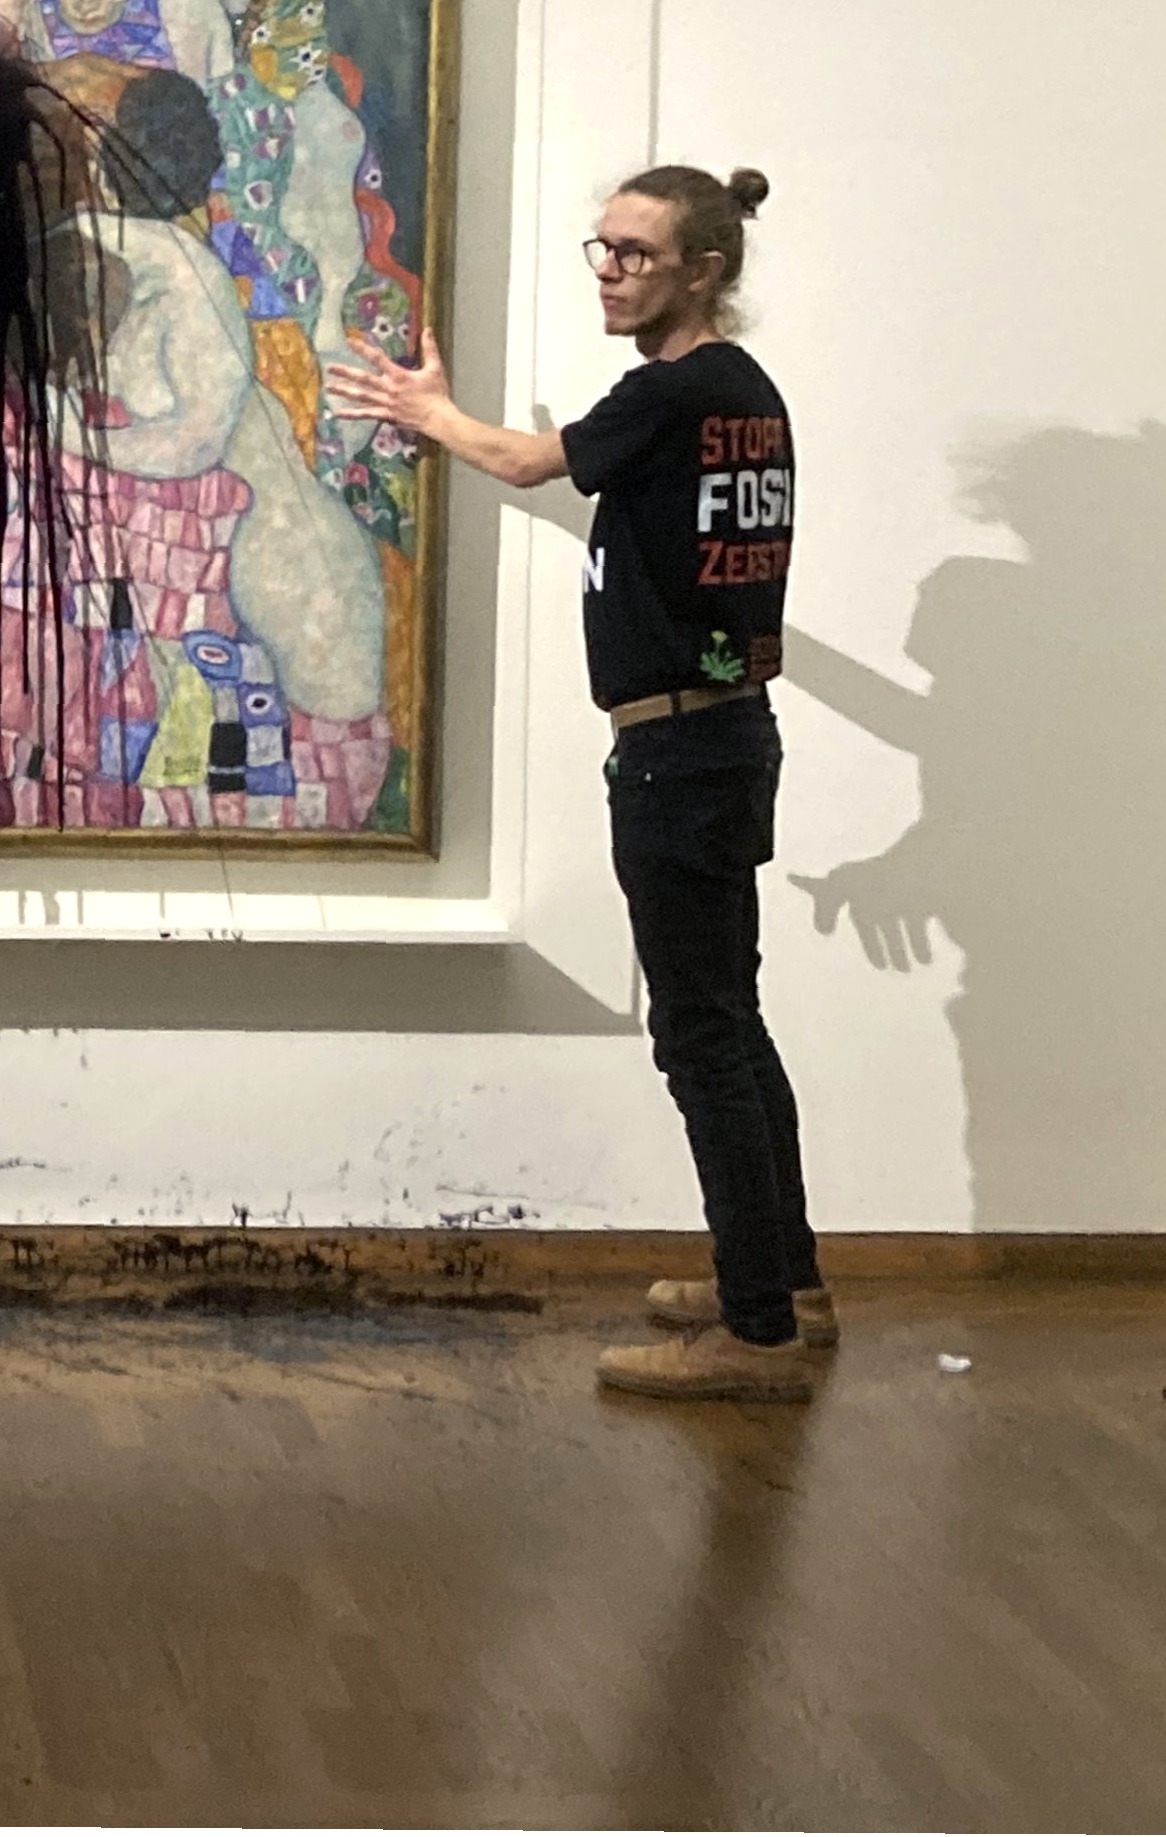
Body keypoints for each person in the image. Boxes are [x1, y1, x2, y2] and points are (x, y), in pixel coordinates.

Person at [324, 165, 830, 1402]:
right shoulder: (743, 395)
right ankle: (784, 1280)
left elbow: (525, 462)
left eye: (634, 255)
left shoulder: (671, 390)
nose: (608, 273)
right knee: (730, 1020)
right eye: (599, 249)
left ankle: (757, 1331)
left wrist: (427, 411)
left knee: (699, 1036)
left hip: (678, 753)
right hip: (725, 733)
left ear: (703, 269)